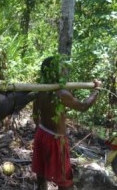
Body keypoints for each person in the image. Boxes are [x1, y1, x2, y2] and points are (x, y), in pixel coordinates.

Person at [32, 56, 101, 190]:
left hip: (41, 133)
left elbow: (35, 115)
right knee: (65, 180)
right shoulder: (62, 93)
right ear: (54, 72)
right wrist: (96, 90)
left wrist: (41, 129)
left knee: (41, 173)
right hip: (55, 140)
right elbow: (83, 107)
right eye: (62, 69)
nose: (64, 72)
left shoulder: (39, 89)